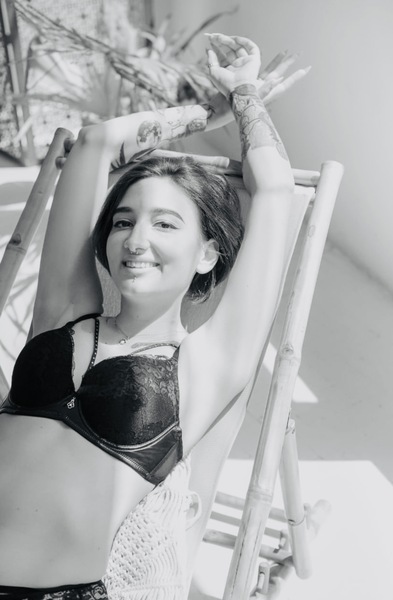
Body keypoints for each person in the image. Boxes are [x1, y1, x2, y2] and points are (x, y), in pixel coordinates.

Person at [0, 34, 307, 598]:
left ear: (208, 253)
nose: (136, 240)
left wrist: (244, 94)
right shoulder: (66, 316)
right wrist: (209, 110)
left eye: (165, 224)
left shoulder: (205, 366)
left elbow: (275, 191)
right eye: (123, 222)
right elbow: (96, 143)